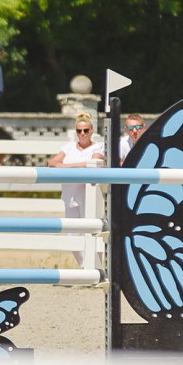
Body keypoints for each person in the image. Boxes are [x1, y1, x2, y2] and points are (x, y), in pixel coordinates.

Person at [49, 112, 106, 265]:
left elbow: (95, 163)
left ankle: (96, 268)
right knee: (72, 235)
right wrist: (79, 166)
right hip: (70, 195)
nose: (82, 134)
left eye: (85, 130)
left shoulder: (98, 146)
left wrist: (66, 167)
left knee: (92, 232)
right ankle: (85, 268)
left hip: (90, 196)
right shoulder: (68, 147)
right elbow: (52, 163)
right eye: (79, 131)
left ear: (91, 131)